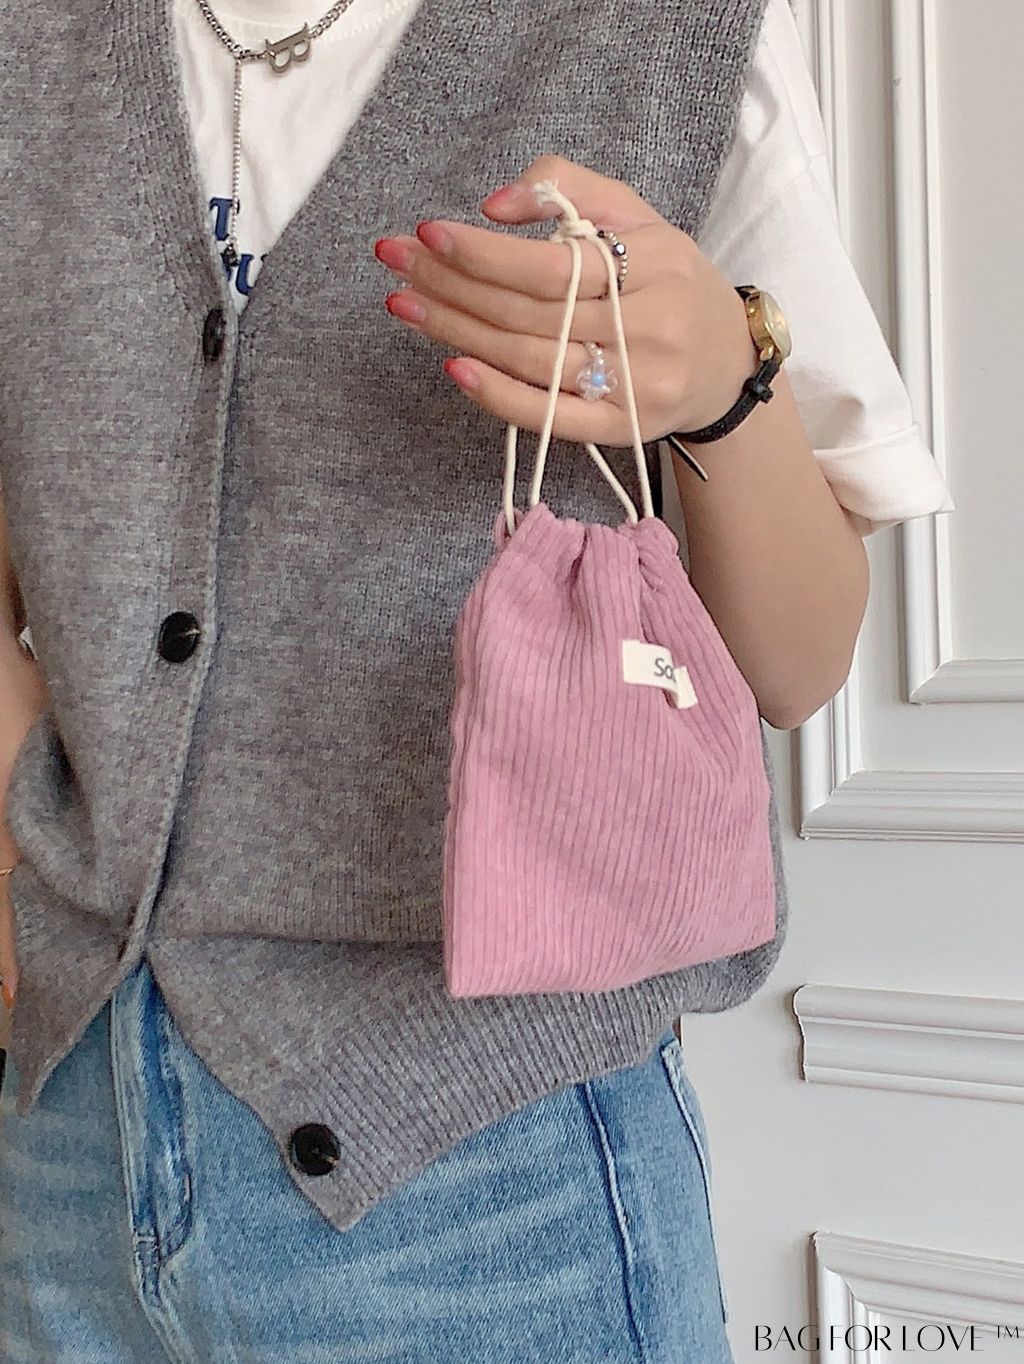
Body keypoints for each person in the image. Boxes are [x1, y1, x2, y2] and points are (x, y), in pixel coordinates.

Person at [0, 0, 954, 1360]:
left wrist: (725, 388)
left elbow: (801, 666)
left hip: (492, 1175)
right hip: (62, 1143)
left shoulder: (667, 36)